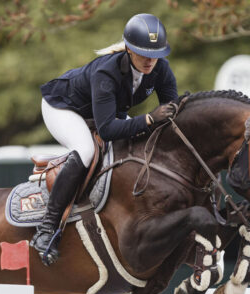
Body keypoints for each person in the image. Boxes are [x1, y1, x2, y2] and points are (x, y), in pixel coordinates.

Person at [33, 13, 179, 265]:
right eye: (144, 53)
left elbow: (171, 111)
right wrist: (147, 120)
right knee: (86, 150)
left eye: (155, 55)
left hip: (102, 112)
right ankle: (46, 230)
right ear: (129, 50)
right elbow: (109, 129)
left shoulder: (160, 69)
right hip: (64, 108)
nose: (150, 61)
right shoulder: (106, 72)